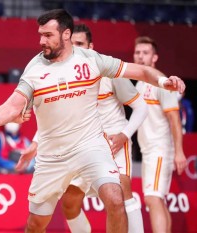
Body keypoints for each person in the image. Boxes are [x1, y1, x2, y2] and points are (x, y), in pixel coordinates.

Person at [0, 9, 185, 233]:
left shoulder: (92, 61)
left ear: (66, 34)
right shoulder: (35, 69)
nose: (41, 41)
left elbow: (141, 72)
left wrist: (164, 81)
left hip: (92, 146)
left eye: (47, 35)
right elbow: (13, 106)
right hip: (53, 155)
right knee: (37, 223)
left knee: (116, 198)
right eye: (40, 35)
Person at [19, 23, 148, 233]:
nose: (76, 48)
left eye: (80, 44)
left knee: (122, 195)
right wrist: (35, 143)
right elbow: (56, 117)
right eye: (73, 44)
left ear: (91, 46)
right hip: (82, 144)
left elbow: (141, 107)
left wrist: (124, 135)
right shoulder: (63, 75)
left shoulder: (109, 71)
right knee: (70, 202)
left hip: (115, 141)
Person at [134, 36, 187, 233]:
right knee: (157, 199)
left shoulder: (161, 82)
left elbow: (174, 117)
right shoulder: (140, 84)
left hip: (159, 148)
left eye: (145, 53)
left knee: (152, 198)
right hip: (149, 150)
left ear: (154, 57)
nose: (140, 57)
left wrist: (179, 152)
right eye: (137, 52)